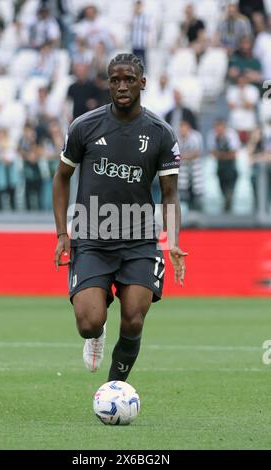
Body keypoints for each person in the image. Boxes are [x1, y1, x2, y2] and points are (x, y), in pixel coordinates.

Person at [52, 53, 187, 382]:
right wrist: (61, 234)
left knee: (134, 319)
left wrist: (173, 242)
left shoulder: (161, 133)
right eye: (115, 80)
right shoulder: (84, 126)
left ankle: (115, 388)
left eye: (129, 79)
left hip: (139, 239)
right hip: (92, 238)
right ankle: (97, 335)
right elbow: (61, 179)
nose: (122, 86)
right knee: (88, 323)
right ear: (108, 84)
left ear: (143, 83)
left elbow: (169, 193)